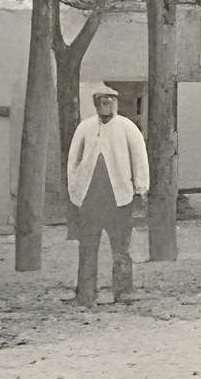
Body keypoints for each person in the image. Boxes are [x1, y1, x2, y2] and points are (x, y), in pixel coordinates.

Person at [64, 84, 150, 306]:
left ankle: (123, 291)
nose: (107, 105)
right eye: (103, 101)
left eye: (111, 100)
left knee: (121, 247)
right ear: (96, 104)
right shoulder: (84, 128)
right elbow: (73, 161)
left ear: (117, 103)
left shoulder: (127, 127)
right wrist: (75, 190)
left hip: (119, 198)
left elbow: (139, 159)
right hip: (90, 198)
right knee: (87, 246)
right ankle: (86, 293)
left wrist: (140, 189)